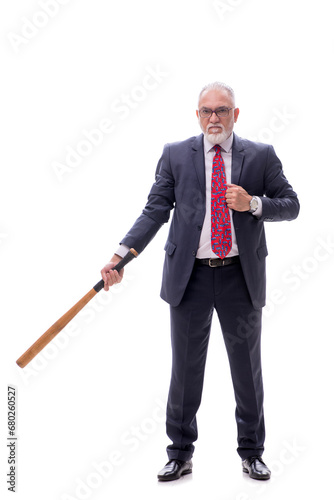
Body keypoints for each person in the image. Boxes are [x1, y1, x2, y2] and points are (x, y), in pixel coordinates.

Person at [101, 82, 300, 482]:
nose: (214, 118)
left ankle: (252, 452)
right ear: (197, 115)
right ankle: (179, 453)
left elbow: (292, 204)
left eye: (222, 111)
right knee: (186, 370)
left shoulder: (260, 156)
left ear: (235, 115)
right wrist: (122, 255)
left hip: (239, 278)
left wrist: (253, 204)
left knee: (247, 370)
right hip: (189, 278)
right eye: (206, 111)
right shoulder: (176, 155)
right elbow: (155, 209)